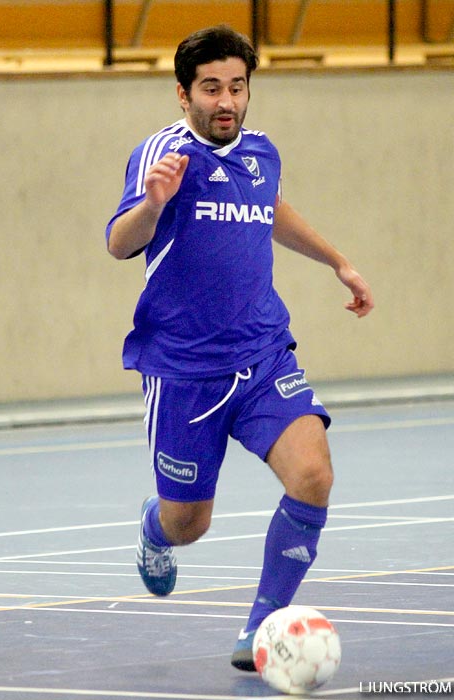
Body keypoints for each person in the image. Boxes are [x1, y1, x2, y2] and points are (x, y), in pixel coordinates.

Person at [105, 25, 373, 673]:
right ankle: (153, 530)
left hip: (262, 356)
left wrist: (337, 261)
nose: (225, 100)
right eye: (210, 88)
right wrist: (152, 203)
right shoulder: (159, 155)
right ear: (182, 93)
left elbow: (270, 207)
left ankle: (259, 627)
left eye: (236, 86)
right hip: (183, 372)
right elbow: (118, 241)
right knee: (187, 524)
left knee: (313, 475)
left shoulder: (260, 152)